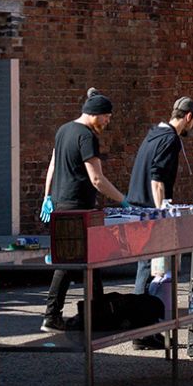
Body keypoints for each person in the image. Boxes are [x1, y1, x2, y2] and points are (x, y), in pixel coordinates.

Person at [39, 88, 130, 332]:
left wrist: (48, 195)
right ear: (95, 114)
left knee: (91, 261)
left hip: (61, 205)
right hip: (78, 209)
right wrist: (124, 200)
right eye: (107, 117)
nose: (108, 121)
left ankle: (95, 313)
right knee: (69, 264)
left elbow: (52, 165)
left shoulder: (63, 130)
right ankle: (51, 315)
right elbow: (97, 179)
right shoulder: (87, 136)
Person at [125, 97, 193, 350]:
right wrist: (161, 215)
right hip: (150, 212)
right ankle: (141, 331)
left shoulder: (154, 134)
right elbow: (157, 179)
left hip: (138, 208)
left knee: (147, 268)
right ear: (188, 117)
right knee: (147, 270)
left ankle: (146, 328)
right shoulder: (170, 139)